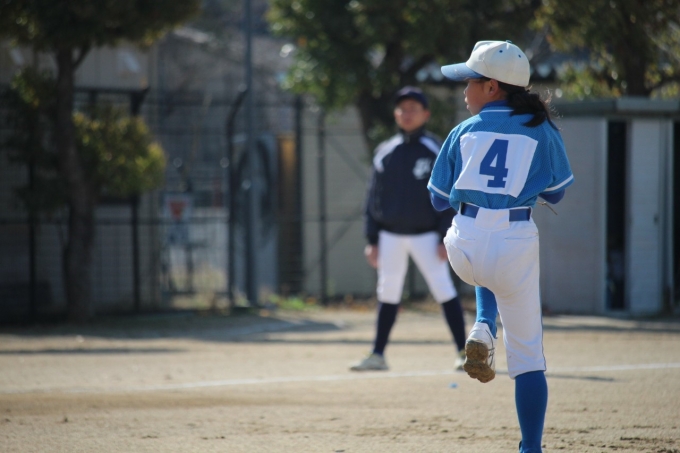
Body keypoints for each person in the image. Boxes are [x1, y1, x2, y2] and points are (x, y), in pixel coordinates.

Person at [427, 41, 574, 453]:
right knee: (527, 359)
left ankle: (482, 324)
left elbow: (438, 200)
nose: (464, 89)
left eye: (470, 81)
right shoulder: (541, 128)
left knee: (483, 270)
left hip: (464, 245)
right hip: (514, 240)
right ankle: (531, 448)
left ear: (492, 87)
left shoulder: (462, 131)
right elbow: (558, 192)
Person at [350, 86, 468, 372]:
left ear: (426, 114)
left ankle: (464, 353)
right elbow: (372, 197)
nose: (407, 114)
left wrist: (444, 234)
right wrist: (372, 238)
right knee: (387, 291)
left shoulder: (436, 149)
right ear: (395, 114)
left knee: (443, 288)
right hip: (390, 235)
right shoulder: (385, 151)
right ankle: (377, 355)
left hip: (427, 234)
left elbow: (449, 194)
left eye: (414, 109)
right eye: (402, 109)